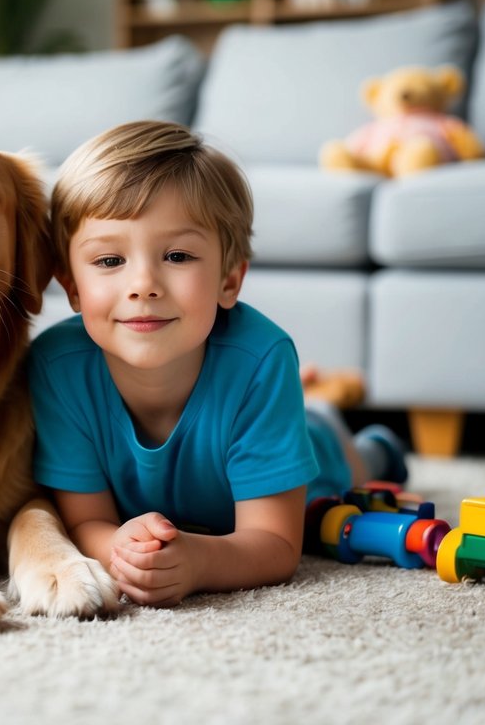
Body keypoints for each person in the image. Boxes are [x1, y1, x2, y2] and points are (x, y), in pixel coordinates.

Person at [29, 120, 407, 608]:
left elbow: (278, 546)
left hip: (319, 463)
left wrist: (200, 563)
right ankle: (318, 400)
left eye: (178, 255)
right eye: (108, 261)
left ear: (230, 280)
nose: (143, 284)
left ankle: (366, 440)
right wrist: (118, 548)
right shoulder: (57, 369)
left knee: (347, 460)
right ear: (73, 287)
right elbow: (84, 522)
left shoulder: (261, 360)